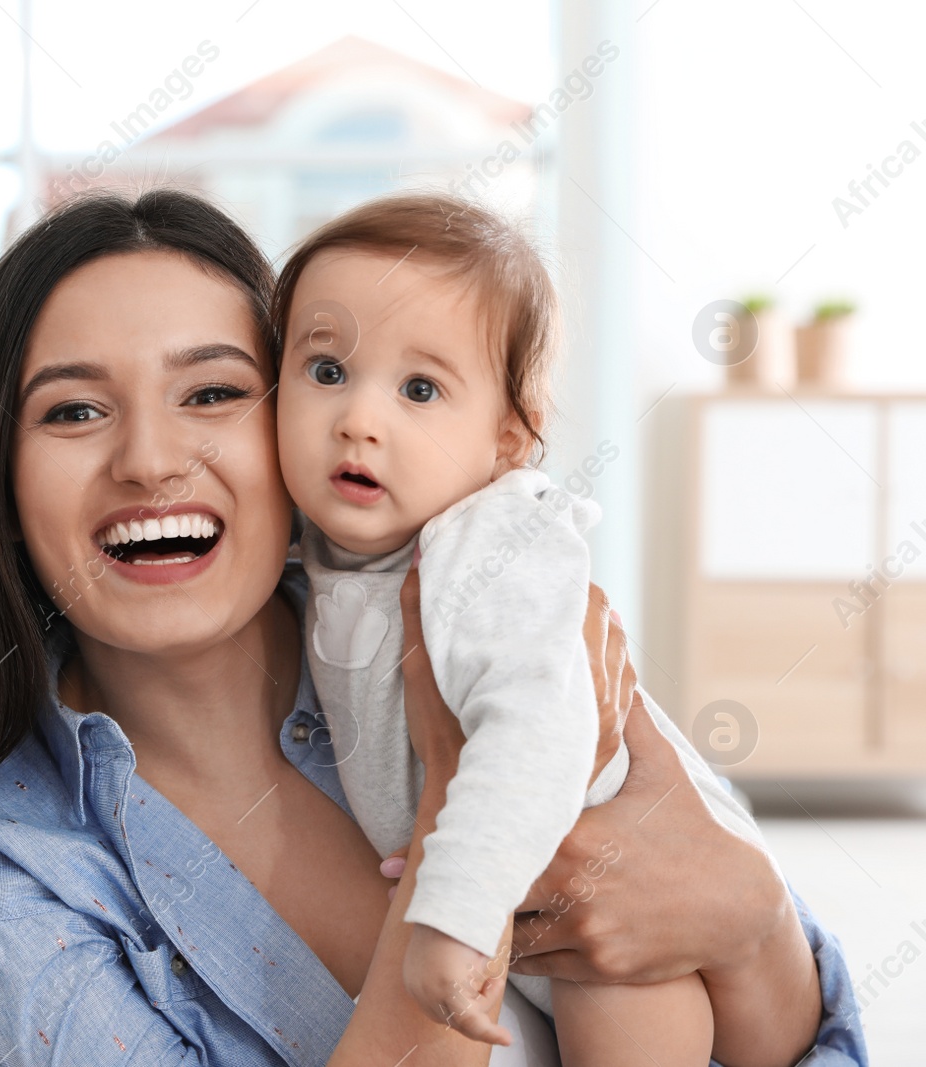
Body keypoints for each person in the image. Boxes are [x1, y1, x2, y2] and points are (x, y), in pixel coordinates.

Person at [0, 189, 865, 1065]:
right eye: (73, 412)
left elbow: (798, 1035)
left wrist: (750, 916)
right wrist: (444, 810)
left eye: (211, 391)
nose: (149, 459)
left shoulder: (463, 608)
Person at [275, 193, 743, 1062]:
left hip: (617, 899)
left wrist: (458, 909)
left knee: (621, 1010)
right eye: (327, 371)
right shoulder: (309, 544)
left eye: (420, 389)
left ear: (507, 440)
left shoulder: (492, 538)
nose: (359, 419)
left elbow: (536, 727)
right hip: (523, 901)